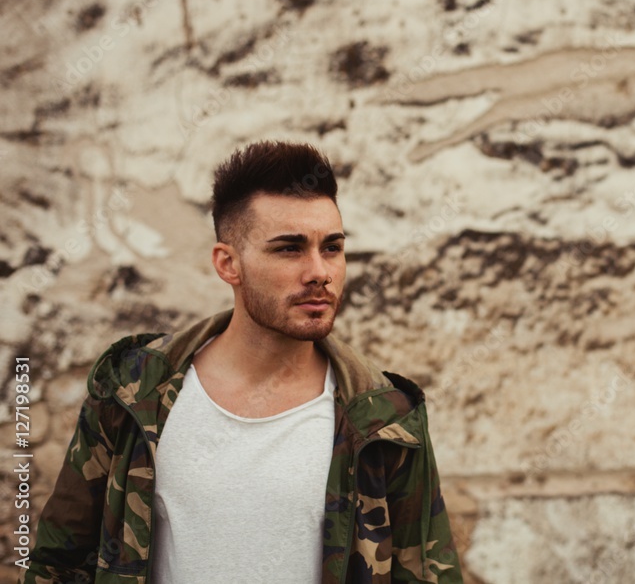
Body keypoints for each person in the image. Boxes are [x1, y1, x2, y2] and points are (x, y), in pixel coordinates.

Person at [20, 141, 463, 584]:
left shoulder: (385, 418)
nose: (319, 272)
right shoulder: (133, 392)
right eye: (289, 249)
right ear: (228, 263)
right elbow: (58, 564)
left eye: (331, 248)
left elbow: (428, 575)